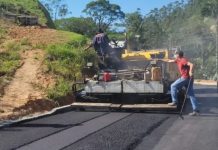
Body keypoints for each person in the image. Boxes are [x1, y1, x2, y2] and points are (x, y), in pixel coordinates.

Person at [168, 50, 199, 116]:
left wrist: (190, 71)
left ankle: (174, 101)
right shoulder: (178, 60)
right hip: (189, 79)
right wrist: (161, 60)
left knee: (173, 86)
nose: (174, 55)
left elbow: (191, 64)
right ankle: (195, 110)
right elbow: (170, 61)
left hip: (185, 78)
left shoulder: (183, 60)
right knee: (191, 94)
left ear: (178, 55)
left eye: (175, 54)